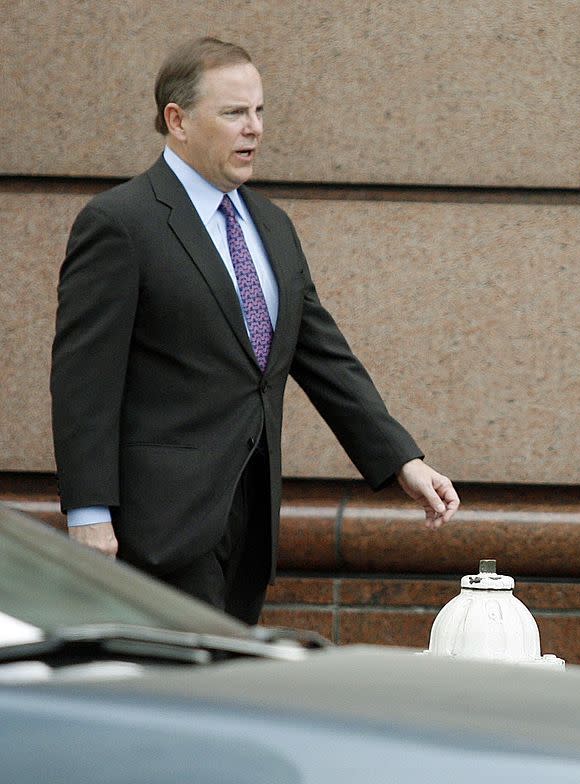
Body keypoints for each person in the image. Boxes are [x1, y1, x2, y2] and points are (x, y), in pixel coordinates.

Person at [50, 37, 459, 624]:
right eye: (234, 113)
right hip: (156, 529)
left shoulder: (271, 224)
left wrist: (402, 462)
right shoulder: (120, 224)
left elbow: (323, 357)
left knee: (228, 693)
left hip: (251, 521)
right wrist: (89, 516)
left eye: (260, 111)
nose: (255, 129)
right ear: (178, 120)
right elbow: (82, 383)